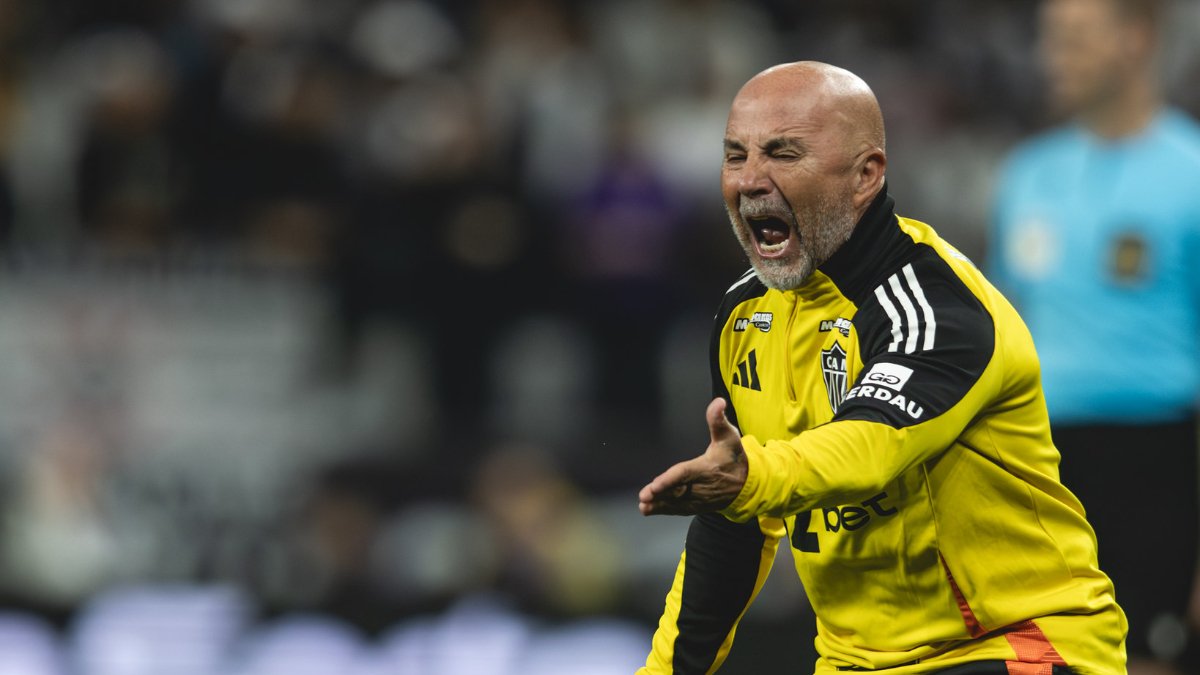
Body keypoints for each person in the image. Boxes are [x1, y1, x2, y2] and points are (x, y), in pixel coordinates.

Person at [636, 61, 1127, 674]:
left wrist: (753, 477)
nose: (750, 181)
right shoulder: (744, 317)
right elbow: (732, 532)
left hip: (1009, 644)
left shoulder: (937, 306)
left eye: (783, 154)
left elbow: (870, 447)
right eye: (736, 156)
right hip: (852, 663)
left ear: (866, 175)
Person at [988, 0, 1200, 671]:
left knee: (1141, 660)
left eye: (1075, 40)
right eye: (1050, 41)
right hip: (1041, 468)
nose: (1054, 58)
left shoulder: (1191, 174)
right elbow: (1000, 336)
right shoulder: (1026, 174)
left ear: (1135, 40)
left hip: (1156, 463)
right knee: (1034, 663)